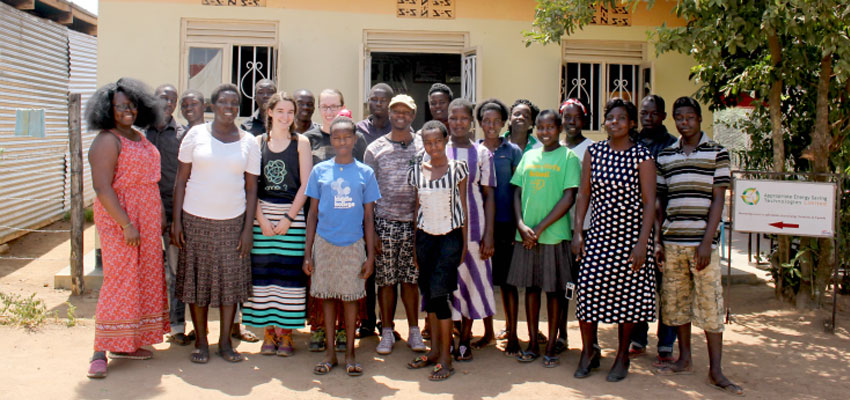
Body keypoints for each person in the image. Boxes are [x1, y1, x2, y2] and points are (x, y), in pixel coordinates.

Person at [653, 97, 742, 396]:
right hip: (673, 242)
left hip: (702, 246)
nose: (684, 122)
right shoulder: (666, 156)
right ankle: (685, 359)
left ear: (700, 119)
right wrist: (658, 240)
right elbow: (660, 202)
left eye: (689, 117)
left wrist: (707, 241)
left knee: (710, 306)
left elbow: (719, 198)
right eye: (679, 117)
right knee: (676, 305)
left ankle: (716, 370)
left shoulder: (717, 152)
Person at [85, 78, 168, 378]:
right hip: (122, 219)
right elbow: (102, 188)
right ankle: (99, 351)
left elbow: (150, 180)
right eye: (120, 106)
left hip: (145, 218)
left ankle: (126, 343)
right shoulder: (108, 140)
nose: (127, 111)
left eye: (131, 105)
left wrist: (156, 214)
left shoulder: (139, 137)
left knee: (141, 278)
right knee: (119, 281)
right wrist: (127, 224)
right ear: (108, 110)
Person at [172, 83, 261, 364]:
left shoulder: (249, 142)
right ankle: (201, 342)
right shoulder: (195, 135)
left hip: (233, 223)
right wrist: (176, 222)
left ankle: (225, 344)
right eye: (223, 102)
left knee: (229, 286)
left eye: (234, 103)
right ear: (213, 105)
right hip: (195, 220)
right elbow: (180, 180)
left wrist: (248, 229)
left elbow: (251, 189)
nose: (229, 107)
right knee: (197, 284)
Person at [572, 98, 657, 382]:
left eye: (621, 118)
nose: (615, 123)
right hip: (598, 236)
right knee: (587, 295)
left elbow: (649, 203)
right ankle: (589, 351)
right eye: (610, 118)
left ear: (632, 123)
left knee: (628, 299)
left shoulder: (642, 156)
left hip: (630, 237)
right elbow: (583, 194)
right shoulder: (594, 153)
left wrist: (643, 243)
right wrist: (578, 232)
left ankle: (622, 356)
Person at [303, 116, 380, 377]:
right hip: (324, 243)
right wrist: (308, 253)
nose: (342, 142)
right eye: (337, 137)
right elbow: (312, 214)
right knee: (326, 297)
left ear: (355, 139)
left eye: (347, 137)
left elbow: (369, 217)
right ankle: (330, 355)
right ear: (331, 140)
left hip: (353, 244)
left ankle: (350, 353)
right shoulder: (320, 171)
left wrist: (369, 256)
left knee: (349, 299)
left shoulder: (365, 173)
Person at [241, 92, 312, 357]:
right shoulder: (257, 142)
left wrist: (289, 218)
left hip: (291, 216)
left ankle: (286, 334)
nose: (286, 117)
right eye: (280, 111)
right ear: (269, 112)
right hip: (262, 214)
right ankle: (268, 332)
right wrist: (260, 218)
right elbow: (251, 185)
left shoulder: (300, 142)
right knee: (264, 276)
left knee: (288, 278)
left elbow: (305, 184)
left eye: (290, 112)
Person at [507, 109, 580, 368]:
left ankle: (552, 344)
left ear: (559, 129)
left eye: (550, 127)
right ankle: (533, 344)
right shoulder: (528, 156)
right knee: (532, 290)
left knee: (555, 292)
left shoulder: (569, 157)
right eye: (541, 128)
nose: (545, 132)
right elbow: (516, 192)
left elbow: (569, 197)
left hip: (553, 237)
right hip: (526, 236)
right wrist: (521, 225)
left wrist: (538, 229)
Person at [364, 94, 427, 355]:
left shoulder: (424, 146)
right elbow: (367, 195)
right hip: (385, 223)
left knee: (411, 281)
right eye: (396, 111)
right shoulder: (375, 149)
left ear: (413, 116)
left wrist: (421, 228)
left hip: (416, 225)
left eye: (406, 112)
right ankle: (387, 331)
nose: (401, 115)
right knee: (386, 281)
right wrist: (373, 233)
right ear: (389, 115)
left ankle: (414, 331)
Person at [406, 120, 469, 381]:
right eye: (428, 142)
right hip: (425, 238)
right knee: (429, 295)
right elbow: (416, 208)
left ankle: (446, 358)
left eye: (438, 141)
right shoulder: (416, 171)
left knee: (441, 296)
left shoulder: (458, 169)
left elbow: (463, 208)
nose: (433, 147)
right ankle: (433, 352)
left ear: (447, 141)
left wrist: (463, 245)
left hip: (450, 239)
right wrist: (414, 245)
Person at [441, 98, 496, 361]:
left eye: (463, 118)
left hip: (475, 229)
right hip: (443, 230)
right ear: (447, 120)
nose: (458, 123)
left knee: (470, 283)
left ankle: (465, 339)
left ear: (471, 122)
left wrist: (489, 235)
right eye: (453, 117)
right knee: (448, 284)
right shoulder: (438, 150)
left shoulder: (482, 153)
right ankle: (448, 338)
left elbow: (489, 196)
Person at [630, 94, 679, 364]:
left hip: (667, 222)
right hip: (635, 223)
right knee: (637, 282)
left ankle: (666, 343)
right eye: (644, 114)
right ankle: (638, 338)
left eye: (653, 114)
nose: (648, 118)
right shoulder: (633, 142)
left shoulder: (672, 146)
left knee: (666, 285)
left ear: (662, 116)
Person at [475, 98, 523, 355]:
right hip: (480, 225)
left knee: (508, 281)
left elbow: (518, 189)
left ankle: (513, 333)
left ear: (503, 123)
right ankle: (488, 333)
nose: (491, 126)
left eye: (496, 121)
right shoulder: (474, 149)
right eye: (486, 121)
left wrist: (519, 224)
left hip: (505, 224)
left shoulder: (512, 151)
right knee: (483, 281)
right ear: (480, 123)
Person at [145, 84, 190, 346]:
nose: (168, 103)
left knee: (176, 272)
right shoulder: (140, 134)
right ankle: (147, 325)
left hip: (174, 214)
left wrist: (178, 219)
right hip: (144, 213)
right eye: (163, 98)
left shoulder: (182, 134)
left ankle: (176, 326)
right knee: (147, 272)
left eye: (172, 99)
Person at [554, 98, 595, 354]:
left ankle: (591, 341)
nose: (571, 122)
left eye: (576, 117)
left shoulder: (593, 149)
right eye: (567, 117)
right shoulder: (555, 147)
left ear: (584, 119)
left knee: (587, 285)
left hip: (587, 226)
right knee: (563, 284)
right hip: (559, 227)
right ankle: (561, 334)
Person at [355, 82, 395, 339]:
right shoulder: (359, 131)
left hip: (392, 209)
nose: (378, 104)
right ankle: (367, 321)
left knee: (389, 272)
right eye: (374, 99)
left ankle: (387, 322)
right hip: (363, 208)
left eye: (383, 100)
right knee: (367, 268)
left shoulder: (400, 129)